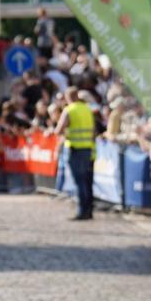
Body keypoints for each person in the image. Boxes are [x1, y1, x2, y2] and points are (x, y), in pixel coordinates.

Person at [55, 86, 96, 220]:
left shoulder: (69, 110)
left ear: (68, 98)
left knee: (79, 181)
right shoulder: (87, 109)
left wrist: (67, 133)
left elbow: (58, 130)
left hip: (75, 149)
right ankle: (89, 210)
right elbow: (94, 130)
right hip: (88, 149)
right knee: (87, 181)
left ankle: (81, 211)